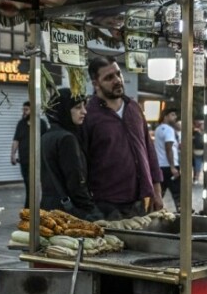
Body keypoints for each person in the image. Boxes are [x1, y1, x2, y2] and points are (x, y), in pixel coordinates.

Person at [81, 56, 163, 220]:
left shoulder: (134, 108)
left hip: (141, 200)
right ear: (95, 83)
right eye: (109, 78)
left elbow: (149, 150)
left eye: (118, 74)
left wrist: (157, 191)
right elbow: (82, 163)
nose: (117, 80)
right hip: (107, 203)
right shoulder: (89, 115)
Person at [40, 89, 101, 220]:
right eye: (78, 107)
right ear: (64, 110)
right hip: (67, 213)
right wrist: (92, 210)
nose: (84, 111)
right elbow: (75, 182)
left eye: (84, 106)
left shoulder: (46, 136)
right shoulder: (67, 138)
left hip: (48, 207)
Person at [154, 107, 181, 210]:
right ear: (165, 116)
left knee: (161, 192)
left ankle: (154, 212)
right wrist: (173, 167)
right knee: (178, 192)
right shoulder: (169, 130)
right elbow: (168, 148)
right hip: (169, 166)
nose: (175, 117)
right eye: (172, 115)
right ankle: (181, 212)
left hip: (160, 165)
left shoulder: (158, 129)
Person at [11, 101, 32, 209]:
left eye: (26, 109)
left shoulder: (41, 124)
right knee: (29, 185)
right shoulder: (21, 124)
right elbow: (16, 140)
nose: (24, 112)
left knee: (33, 185)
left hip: (37, 162)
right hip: (24, 161)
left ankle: (30, 209)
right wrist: (13, 155)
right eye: (23, 109)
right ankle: (29, 209)